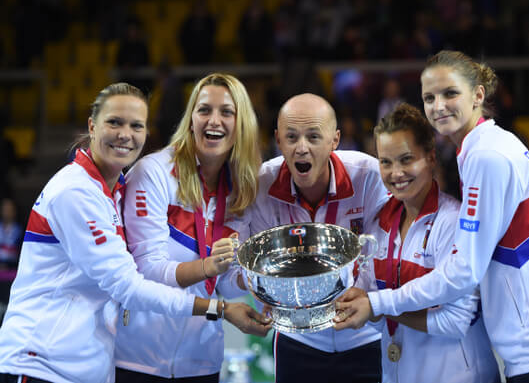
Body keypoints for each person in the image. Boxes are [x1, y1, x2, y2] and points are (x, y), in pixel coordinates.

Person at [334, 50, 529, 382]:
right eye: (429, 97)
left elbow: (463, 272)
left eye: (450, 93)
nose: (438, 105)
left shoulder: (486, 156)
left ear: (478, 95)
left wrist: (378, 302)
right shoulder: (478, 151)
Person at [0, 83, 270, 383]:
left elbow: (228, 283)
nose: (125, 134)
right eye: (114, 122)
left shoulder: (111, 193)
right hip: (44, 362)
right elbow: (131, 283)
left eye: (136, 125)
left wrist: (261, 276)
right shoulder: (77, 192)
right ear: (92, 126)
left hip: (92, 365)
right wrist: (218, 305)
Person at [114, 73, 268, 382]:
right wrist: (209, 266)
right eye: (204, 110)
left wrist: (257, 276)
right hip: (138, 359)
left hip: (201, 362)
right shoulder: (154, 173)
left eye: (226, 111)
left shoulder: (242, 189)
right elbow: (148, 271)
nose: (214, 120)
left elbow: (224, 283)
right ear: (191, 119)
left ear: (242, 125)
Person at [351, 103, 499, 383]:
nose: (396, 173)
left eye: (407, 159)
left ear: (431, 158)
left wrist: (377, 305)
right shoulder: (379, 224)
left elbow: (456, 321)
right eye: (386, 162)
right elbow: (367, 295)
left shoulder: (454, 221)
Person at [250, 93, 390, 383]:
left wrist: (362, 296)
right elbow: (254, 262)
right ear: (278, 140)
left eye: (314, 136)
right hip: (299, 341)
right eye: (291, 137)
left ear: (334, 140)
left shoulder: (369, 176)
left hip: (365, 338)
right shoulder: (262, 184)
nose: (301, 148)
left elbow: (383, 252)